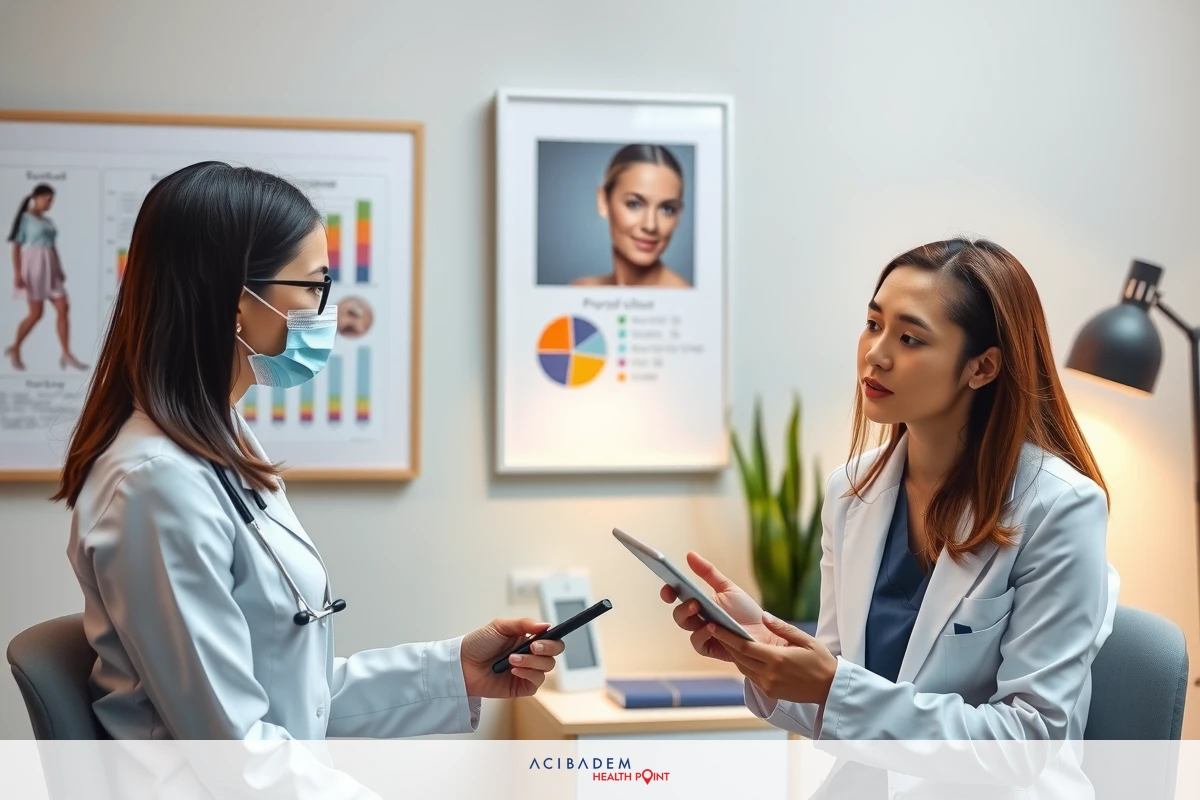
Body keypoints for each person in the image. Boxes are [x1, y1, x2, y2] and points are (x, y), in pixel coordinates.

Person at [53, 162, 562, 793]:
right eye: (314, 287)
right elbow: (235, 754)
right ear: (240, 299)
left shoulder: (218, 442)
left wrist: (453, 670)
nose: (324, 312)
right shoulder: (155, 483)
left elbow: (291, 703)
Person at [661, 239, 1119, 795]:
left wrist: (834, 690)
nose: (875, 354)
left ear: (982, 367)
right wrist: (762, 649)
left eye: (909, 338)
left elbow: (1023, 742)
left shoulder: (1060, 509)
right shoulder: (851, 493)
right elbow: (841, 703)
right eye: (872, 324)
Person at [570, 143, 691, 288]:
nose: (650, 225)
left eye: (667, 209)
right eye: (634, 204)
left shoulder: (683, 298)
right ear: (603, 201)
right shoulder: (581, 290)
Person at [5, 183, 88, 371]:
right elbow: (17, 247)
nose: (49, 204)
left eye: (52, 201)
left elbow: (52, 246)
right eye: (47, 199)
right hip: (34, 266)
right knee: (36, 314)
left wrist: (59, 268)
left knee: (63, 307)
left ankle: (66, 353)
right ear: (36, 197)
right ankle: (16, 347)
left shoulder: (48, 221)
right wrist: (17, 273)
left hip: (50, 266)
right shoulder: (25, 219)